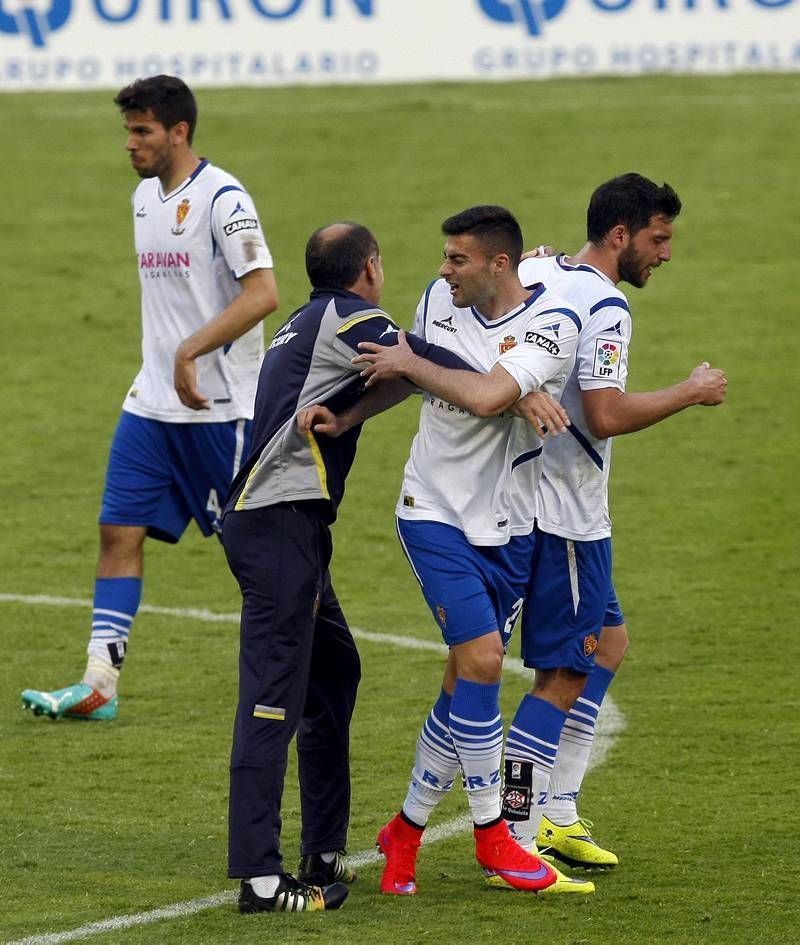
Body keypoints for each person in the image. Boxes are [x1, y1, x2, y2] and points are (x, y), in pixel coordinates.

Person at [332, 205, 591, 896]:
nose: (442, 270)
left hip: (509, 525)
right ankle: (492, 835)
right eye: (444, 257)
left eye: (457, 260)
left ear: (498, 265)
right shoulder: (434, 302)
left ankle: (406, 832)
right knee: (481, 661)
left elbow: (479, 393)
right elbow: (410, 376)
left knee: (461, 685)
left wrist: (496, 391)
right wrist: (350, 412)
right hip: (432, 511)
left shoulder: (552, 326)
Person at [221, 221, 478, 914]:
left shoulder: (311, 321)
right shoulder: (353, 316)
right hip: (278, 527)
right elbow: (425, 358)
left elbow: (394, 376)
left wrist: (354, 409)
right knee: (273, 695)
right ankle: (260, 877)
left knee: (334, 672)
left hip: (289, 525)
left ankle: (324, 851)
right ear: (371, 267)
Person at [21, 75, 278, 722]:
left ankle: (308, 672)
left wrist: (191, 351)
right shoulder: (143, 198)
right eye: (127, 131)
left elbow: (263, 294)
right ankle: (99, 681)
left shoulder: (224, 198)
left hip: (220, 409)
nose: (129, 144)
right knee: (117, 529)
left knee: (256, 556)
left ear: (179, 132)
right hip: (152, 403)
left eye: (142, 132)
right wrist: (170, 362)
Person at [495, 173, 728, 871]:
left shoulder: (538, 267)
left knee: (610, 643)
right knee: (565, 672)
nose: (665, 254)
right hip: (566, 512)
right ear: (621, 235)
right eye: (658, 239)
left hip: (522, 498)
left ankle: (558, 811)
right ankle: (517, 828)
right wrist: (689, 391)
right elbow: (604, 414)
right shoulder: (607, 303)